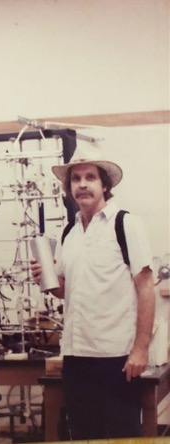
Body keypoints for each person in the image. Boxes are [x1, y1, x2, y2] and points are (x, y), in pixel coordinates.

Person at [30, 144, 155, 440]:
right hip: (76, 357)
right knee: (84, 436)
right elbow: (65, 291)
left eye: (90, 177)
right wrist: (44, 278)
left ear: (105, 184)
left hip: (116, 357)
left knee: (122, 437)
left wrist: (141, 349)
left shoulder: (126, 225)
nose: (82, 185)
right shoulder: (69, 234)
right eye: (76, 179)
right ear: (69, 186)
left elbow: (146, 288)